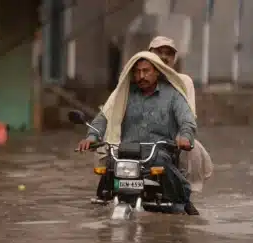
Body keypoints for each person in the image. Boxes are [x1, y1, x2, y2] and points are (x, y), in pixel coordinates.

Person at [77, 51, 196, 215]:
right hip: (126, 154)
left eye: (146, 71)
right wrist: (91, 137)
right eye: (137, 71)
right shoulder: (123, 94)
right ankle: (103, 202)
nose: (141, 76)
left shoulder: (173, 95)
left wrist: (185, 136)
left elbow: (187, 121)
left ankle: (181, 203)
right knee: (109, 167)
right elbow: (103, 117)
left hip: (158, 153)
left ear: (157, 72)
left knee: (173, 184)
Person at [147, 36, 213, 215]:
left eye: (169, 53)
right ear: (149, 54)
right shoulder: (136, 77)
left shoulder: (183, 81)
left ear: (175, 59)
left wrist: (183, 133)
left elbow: (188, 114)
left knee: (193, 149)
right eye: (159, 52)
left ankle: (185, 196)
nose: (164, 57)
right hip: (140, 134)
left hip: (171, 137)